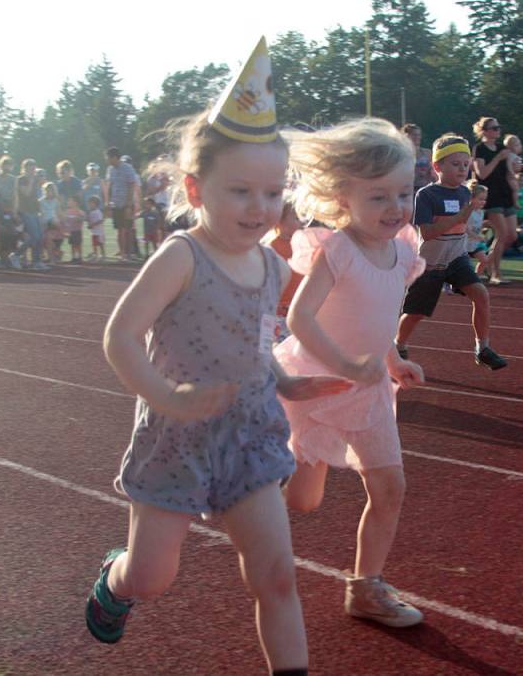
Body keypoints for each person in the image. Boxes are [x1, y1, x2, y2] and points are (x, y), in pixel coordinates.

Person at [86, 40, 337, 676]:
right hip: (178, 438)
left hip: (251, 435)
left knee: (277, 577)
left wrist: (288, 381)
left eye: (272, 192)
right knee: (153, 577)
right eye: (241, 191)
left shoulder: (271, 264)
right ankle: (115, 582)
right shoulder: (180, 256)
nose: (260, 208)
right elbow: (119, 336)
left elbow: (257, 341)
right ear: (196, 188)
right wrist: (167, 397)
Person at [277, 117, 426, 628]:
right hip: (315, 384)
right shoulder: (338, 249)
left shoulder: (404, 251)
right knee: (303, 500)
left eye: (403, 194)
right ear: (344, 197)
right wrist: (343, 365)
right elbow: (297, 317)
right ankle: (248, 497)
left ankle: (365, 586)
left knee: (391, 487)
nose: (395, 208)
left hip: (367, 390)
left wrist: (393, 360)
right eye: (379, 196)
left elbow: (379, 318)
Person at [396, 133, 507, 370]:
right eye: (455, 164)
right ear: (437, 166)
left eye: (465, 165)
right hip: (430, 263)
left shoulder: (465, 193)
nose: (462, 170)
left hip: (456, 259)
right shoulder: (426, 195)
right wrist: (460, 216)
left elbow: (463, 226)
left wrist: (475, 239)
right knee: (416, 313)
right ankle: (399, 344)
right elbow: (427, 233)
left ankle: (482, 348)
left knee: (481, 295)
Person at [471, 117, 515, 284]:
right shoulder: (480, 149)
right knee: (502, 234)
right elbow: (482, 174)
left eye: (498, 127)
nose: (497, 130)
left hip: (505, 193)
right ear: (485, 131)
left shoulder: (502, 148)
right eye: (494, 128)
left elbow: (509, 171)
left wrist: (515, 167)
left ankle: (486, 264)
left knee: (511, 235)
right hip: (490, 196)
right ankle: (495, 273)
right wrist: (498, 157)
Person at [105, 147, 139, 261]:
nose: (107, 160)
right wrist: (108, 202)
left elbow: (131, 185)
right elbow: (110, 186)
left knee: (128, 229)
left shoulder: (128, 168)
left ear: (114, 157)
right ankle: (122, 254)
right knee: (119, 229)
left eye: (108, 157)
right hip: (116, 203)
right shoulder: (110, 169)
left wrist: (129, 204)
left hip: (126, 203)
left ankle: (130, 253)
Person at [14, 159, 48, 270]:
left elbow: (35, 196)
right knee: (34, 237)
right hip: (25, 211)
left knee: (39, 237)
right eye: (30, 168)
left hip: (34, 211)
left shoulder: (35, 181)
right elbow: (26, 193)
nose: (33, 171)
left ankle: (36, 261)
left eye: (34, 168)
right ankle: (16, 255)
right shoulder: (21, 180)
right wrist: (31, 181)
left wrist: (40, 210)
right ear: (25, 169)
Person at [402, 122, 435, 192]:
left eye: (419, 135)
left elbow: (434, 171)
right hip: (409, 189)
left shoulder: (427, 153)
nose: (417, 137)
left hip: (426, 189)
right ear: (406, 136)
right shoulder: (401, 154)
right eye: (414, 135)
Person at [465, 181, 490, 274]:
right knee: (465, 267)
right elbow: (465, 229)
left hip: (474, 244)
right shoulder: (467, 212)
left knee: (485, 260)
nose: (483, 202)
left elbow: (476, 225)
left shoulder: (481, 212)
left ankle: (476, 279)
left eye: (484, 199)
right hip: (463, 244)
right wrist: (477, 236)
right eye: (480, 199)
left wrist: (485, 225)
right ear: (471, 198)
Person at [39, 181, 64, 264]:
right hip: (43, 223)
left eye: (51, 191)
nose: (49, 192)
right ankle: (55, 254)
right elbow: (39, 213)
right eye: (47, 190)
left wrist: (61, 225)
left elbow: (59, 213)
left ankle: (52, 258)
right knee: (44, 240)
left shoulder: (56, 201)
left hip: (53, 223)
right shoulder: (40, 201)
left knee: (49, 238)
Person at [63, 197, 86, 264]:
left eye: (70, 201)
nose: (69, 202)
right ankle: (73, 257)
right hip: (71, 231)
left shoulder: (79, 211)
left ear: (76, 203)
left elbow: (83, 218)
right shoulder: (67, 211)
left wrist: (78, 218)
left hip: (77, 230)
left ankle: (80, 257)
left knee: (78, 244)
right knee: (72, 244)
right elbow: (65, 220)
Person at [86, 195, 106, 261]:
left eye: (91, 203)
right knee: (94, 244)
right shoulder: (90, 212)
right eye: (89, 203)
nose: (90, 205)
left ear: (96, 204)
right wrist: (89, 223)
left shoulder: (98, 212)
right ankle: (95, 255)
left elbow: (101, 220)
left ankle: (103, 255)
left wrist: (93, 224)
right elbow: (89, 220)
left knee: (100, 243)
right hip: (93, 232)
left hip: (99, 232)